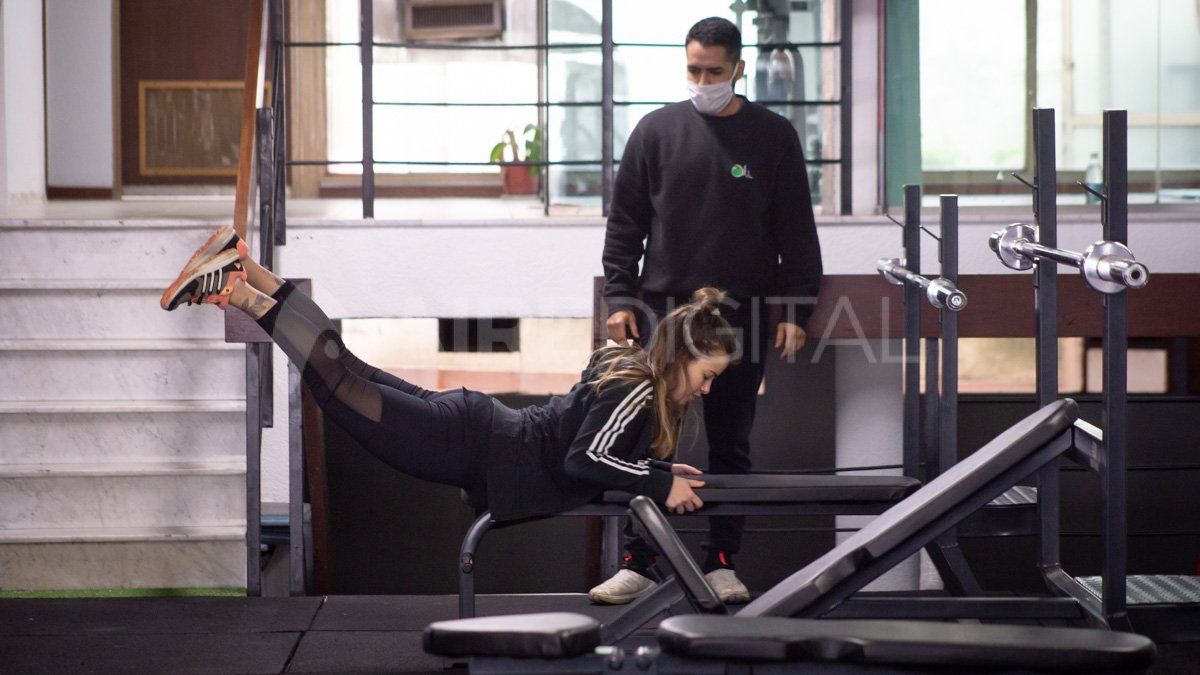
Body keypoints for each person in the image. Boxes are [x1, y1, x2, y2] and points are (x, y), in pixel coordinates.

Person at [161, 225, 737, 533]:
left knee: (344, 367)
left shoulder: (630, 373)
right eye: (706, 375)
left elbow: (594, 447)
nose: (706, 391)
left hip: (475, 427)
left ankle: (243, 262)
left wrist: (660, 471)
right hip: (473, 440)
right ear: (680, 358)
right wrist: (657, 481)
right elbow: (584, 459)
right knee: (336, 386)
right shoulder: (639, 387)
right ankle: (237, 289)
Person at [598, 16, 823, 605]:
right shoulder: (655, 131)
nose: (702, 81)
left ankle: (721, 561)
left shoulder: (773, 136)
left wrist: (796, 309)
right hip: (664, 311)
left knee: (731, 443)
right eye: (693, 70)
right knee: (653, 438)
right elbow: (625, 225)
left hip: (741, 315)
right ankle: (639, 561)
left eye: (714, 71)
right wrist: (619, 298)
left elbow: (796, 231)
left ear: (738, 68)